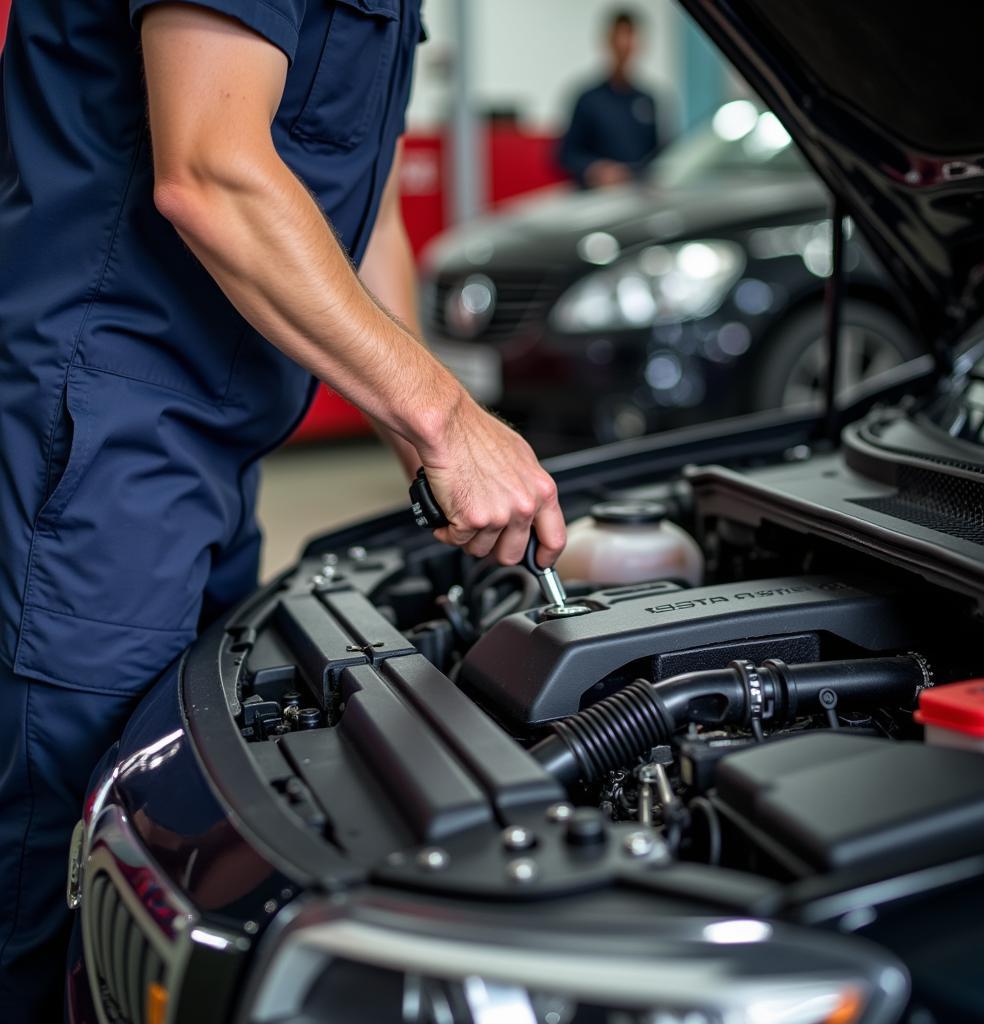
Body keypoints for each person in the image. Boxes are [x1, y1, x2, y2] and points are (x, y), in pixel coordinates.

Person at [0, 1, 565, 1018]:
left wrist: (430, 453)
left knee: (169, 827)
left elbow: (365, 219)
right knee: (55, 863)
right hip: (95, 438)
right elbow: (209, 170)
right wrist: (446, 420)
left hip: (217, 438)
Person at [558, 9, 662, 188]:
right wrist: (595, 169)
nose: (623, 46)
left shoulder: (647, 100)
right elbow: (566, 154)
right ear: (608, 42)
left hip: (638, 194)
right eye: (618, 38)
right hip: (597, 197)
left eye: (628, 38)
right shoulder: (588, 99)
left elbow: (659, 154)